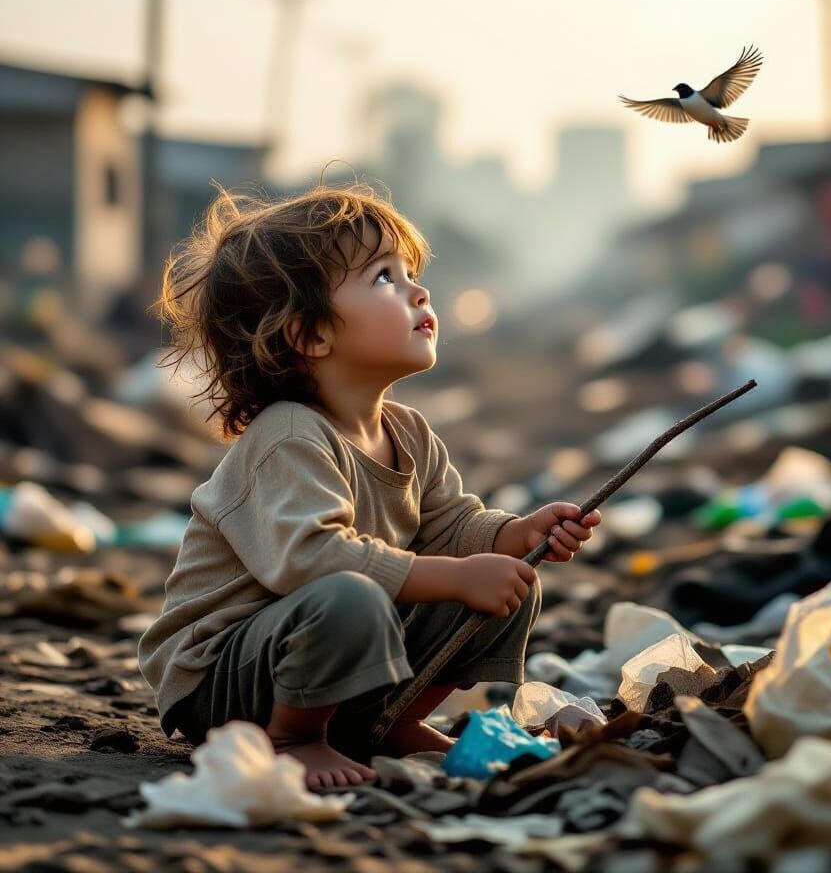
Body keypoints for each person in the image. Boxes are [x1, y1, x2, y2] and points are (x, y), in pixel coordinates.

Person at [137, 179, 601, 791]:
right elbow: (311, 562)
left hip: (321, 652)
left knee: (509, 579)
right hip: (225, 677)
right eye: (385, 277)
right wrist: (459, 575)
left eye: (410, 272)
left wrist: (517, 534)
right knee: (353, 594)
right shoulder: (290, 436)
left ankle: (389, 720)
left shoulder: (407, 431)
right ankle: (293, 738)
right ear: (309, 335)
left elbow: (452, 528)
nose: (418, 289)